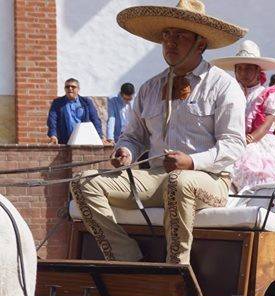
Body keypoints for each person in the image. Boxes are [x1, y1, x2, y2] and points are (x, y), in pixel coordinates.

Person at [70, 0, 247, 264]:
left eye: (180, 35)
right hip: (155, 177)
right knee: (82, 183)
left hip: (209, 179)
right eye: (166, 35)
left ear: (200, 44)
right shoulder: (150, 87)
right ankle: (126, 259)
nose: (170, 42)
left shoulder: (223, 86)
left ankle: (176, 269)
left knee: (180, 181)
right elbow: (133, 136)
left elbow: (234, 145)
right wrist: (125, 151)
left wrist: (192, 162)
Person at [211, 40, 275, 190]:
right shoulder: (229, 93)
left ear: (258, 71)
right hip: (231, 140)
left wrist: (249, 139)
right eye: (239, 69)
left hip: (258, 142)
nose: (242, 73)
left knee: (259, 172)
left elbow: (266, 124)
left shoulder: (268, 94)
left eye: (248, 69)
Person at [46, 78, 104, 144]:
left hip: (85, 140)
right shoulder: (57, 103)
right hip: (65, 141)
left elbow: (95, 120)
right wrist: (53, 135)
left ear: (78, 89)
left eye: (73, 87)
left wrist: (99, 137)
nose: (70, 88)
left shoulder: (86, 102)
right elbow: (52, 120)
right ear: (65, 89)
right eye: (67, 87)